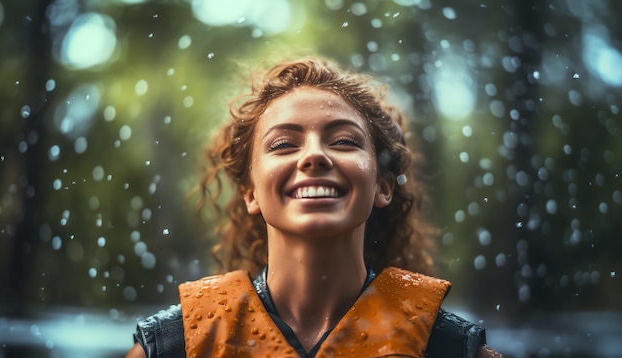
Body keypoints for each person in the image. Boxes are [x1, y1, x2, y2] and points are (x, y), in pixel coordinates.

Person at [126, 57, 502, 358]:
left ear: (383, 187)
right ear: (250, 193)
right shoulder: (174, 346)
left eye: (342, 140)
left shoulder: (450, 349)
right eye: (284, 145)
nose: (315, 155)